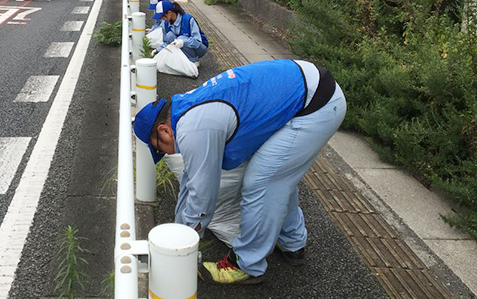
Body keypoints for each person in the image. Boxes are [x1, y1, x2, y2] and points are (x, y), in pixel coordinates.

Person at [133, 59, 347, 285]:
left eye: (161, 149)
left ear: (164, 131)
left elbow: (203, 193)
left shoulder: (193, 128)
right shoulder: (184, 109)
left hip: (316, 104)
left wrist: (183, 243)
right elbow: (191, 178)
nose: (168, 153)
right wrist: (180, 228)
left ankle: (246, 265)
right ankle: (291, 242)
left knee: (262, 181)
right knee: (279, 173)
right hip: (307, 88)